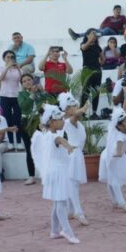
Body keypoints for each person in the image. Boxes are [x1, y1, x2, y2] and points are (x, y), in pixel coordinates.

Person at [33, 104, 79, 244]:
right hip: (58, 172)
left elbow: (57, 138)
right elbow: (60, 140)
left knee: (57, 202)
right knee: (61, 202)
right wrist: (68, 146)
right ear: (52, 122)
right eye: (60, 120)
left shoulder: (47, 134)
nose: (63, 121)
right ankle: (66, 230)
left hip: (55, 171)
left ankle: (54, 230)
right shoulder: (54, 136)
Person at [59, 93, 90, 226]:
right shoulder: (68, 122)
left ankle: (71, 210)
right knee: (72, 183)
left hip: (77, 154)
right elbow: (76, 115)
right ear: (66, 110)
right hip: (71, 155)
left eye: (75, 106)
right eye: (72, 106)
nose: (75, 108)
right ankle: (78, 210)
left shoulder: (77, 123)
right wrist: (83, 108)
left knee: (73, 183)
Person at [98, 107, 126, 213]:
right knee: (114, 180)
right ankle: (121, 202)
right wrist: (118, 154)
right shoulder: (119, 137)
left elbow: (124, 108)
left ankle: (115, 201)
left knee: (112, 179)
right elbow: (118, 148)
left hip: (117, 156)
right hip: (112, 157)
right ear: (120, 125)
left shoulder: (123, 130)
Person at [18, 73, 47, 186]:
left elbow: (47, 103)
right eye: (24, 81)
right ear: (22, 84)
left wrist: (42, 91)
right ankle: (31, 176)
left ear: (33, 80)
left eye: (29, 80)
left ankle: (45, 174)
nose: (27, 82)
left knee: (43, 148)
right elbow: (24, 107)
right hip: (26, 123)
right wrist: (32, 95)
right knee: (30, 149)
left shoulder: (40, 92)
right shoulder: (21, 94)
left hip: (40, 122)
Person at [0, 50, 23, 150]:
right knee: (7, 119)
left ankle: (19, 141)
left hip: (17, 95)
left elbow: (22, 81)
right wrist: (7, 67)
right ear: (4, 58)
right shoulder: (1, 68)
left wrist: (19, 69)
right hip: (4, 96)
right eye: (8, 57)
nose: (10, 58)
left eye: (12, 57)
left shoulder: (18, 68)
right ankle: (11, 141)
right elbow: (0, 78)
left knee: (17, 119)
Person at [79, 30, 104, 119]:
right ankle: (82, 112)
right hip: (87, 70)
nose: (94, 36)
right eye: (92, 34)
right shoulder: (83, 44)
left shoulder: (97, 46)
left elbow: (102, 58)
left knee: (96, 92)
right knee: (85, 92)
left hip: (97, 71)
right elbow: (84, 48)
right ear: (87, 35)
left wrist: (99, 65)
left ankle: (94, 112)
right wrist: (90, 40)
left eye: (95, 35)